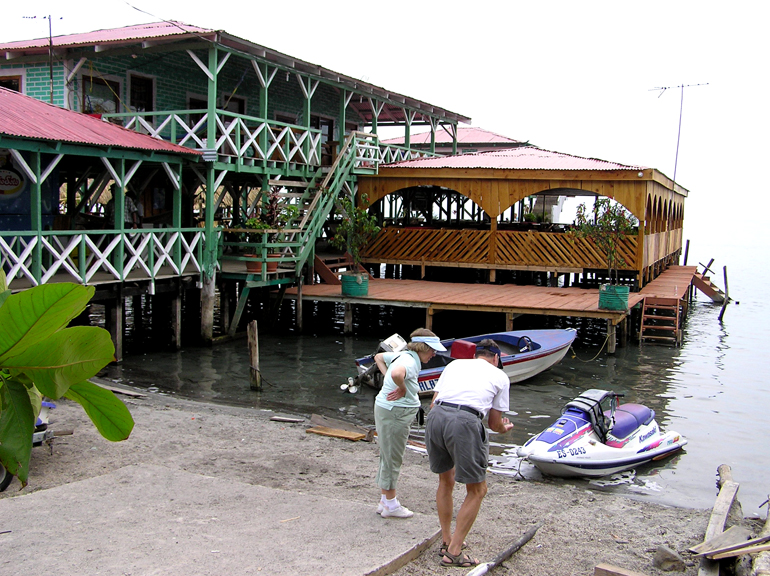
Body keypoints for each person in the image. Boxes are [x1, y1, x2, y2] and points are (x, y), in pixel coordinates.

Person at [425, 339, 514, 567]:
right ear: (496, 358)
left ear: (476, 355)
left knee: (446, 481)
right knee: (477, 489)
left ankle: (447, 540)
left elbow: (434, 402)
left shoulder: (454, 365)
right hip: (464, 422)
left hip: (435, 418)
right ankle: (454, 551)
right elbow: (494, 424)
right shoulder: (500, 376)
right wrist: (505, 428)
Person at [373, 328, 445, 519]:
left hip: (386, 409)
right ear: (423, 348)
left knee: (387, 454)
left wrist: (388, 378)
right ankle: (391, 503)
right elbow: (397, 373)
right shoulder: (410, 362)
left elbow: (379, 357)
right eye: (432, 350)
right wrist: (401, 387)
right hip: (395, 412)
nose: (434, 354)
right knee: (393, 457)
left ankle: (384, 500)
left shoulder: (404, 355)